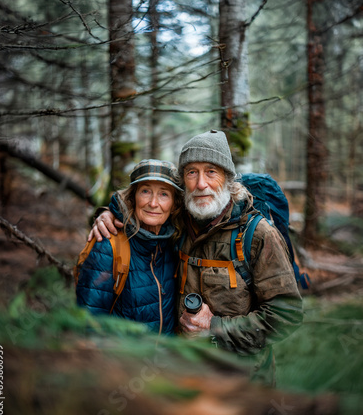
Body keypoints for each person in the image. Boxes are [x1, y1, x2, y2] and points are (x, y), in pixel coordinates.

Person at [90, 131, 303, 385]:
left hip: (242, 384)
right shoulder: (178, 222)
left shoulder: (258, 235)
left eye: (211, 171)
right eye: (192, 172)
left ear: (228, 178)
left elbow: (287, 314)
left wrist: (214, 328)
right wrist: (105, 215)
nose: (201, 183)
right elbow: (142, 206)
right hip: (184, 379)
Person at [76, 159, 183, 335]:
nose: (153, 203)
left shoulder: (175, 241)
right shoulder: (109, 245)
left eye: (164, 194)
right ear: (133, 197)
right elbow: (89, 325)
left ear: (174, 205)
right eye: (146, 191)